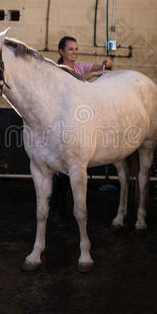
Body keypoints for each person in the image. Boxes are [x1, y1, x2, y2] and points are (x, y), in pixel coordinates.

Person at [52, 36, 113, 226]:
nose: (75, 52)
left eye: (76, 49)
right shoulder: (58, 69)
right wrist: (97, 73)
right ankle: (59, 212)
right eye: (71, 49)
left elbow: (97, 67)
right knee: (62, 174)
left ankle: (70, 211)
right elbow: (77, 80)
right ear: (61, 51)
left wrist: (105, 63)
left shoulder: (80, 66)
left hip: (78, 122)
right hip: (62, 124)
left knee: (74, 174)